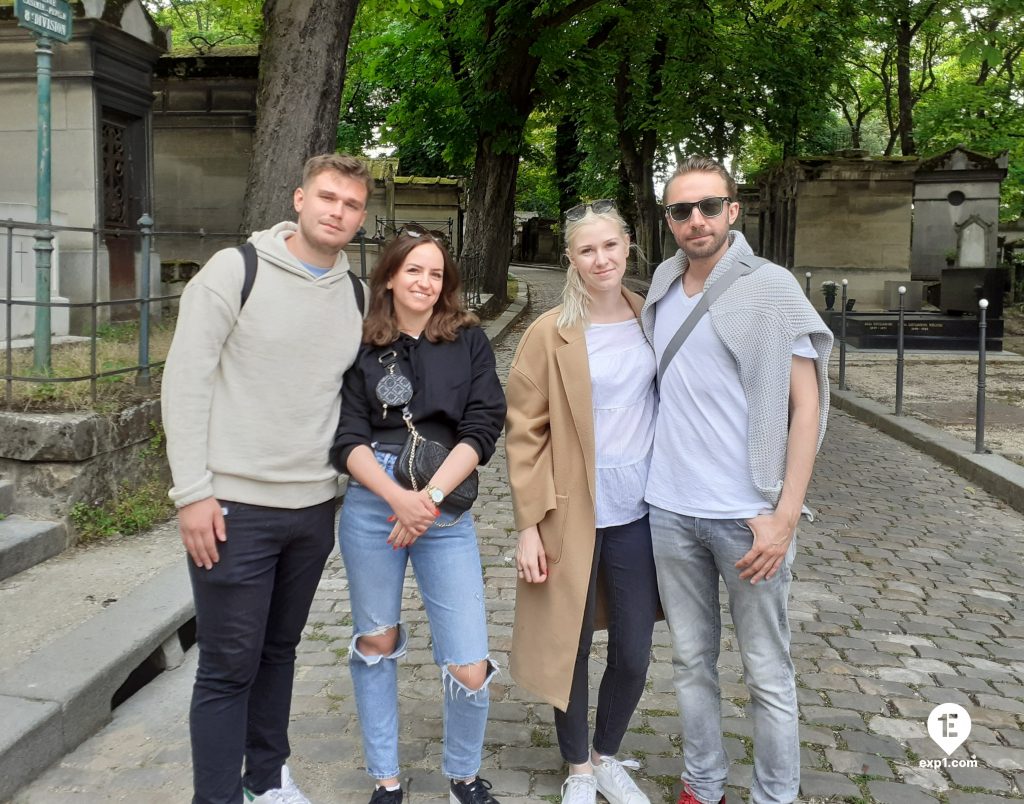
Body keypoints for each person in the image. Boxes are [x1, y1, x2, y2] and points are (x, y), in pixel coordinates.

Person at [162, 153, 374, 803]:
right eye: (328, 197)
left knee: (279, 652)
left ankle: (266, 780)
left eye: (352, 204)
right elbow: (185, 379)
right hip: (233, 508)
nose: (338, 212)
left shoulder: (355, 293)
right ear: (300, 198)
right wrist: (192, 492)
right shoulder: (237, 271)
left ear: (361, 216)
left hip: (313, 510)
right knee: (228, 668)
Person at [640, 156, 833, 804]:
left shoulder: (771, 287)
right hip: (669, 511)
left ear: (733, 210)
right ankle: (703, 783)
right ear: (668, 219)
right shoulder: (664, 282)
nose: (696, 220)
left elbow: (806, 406)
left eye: (708, 206)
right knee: (692, 663)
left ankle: (775, 795)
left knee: (767, 672)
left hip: (747, 516)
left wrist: (784, 515)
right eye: (681, 210)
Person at [329, 226, 506, 804]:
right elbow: (346, 436)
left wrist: (425, 501)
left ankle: (462, 775)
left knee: (469, 660)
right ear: (389, 276)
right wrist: (395, 498)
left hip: (444, 500)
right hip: (373, 499)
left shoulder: (469, 341)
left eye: (435, 273)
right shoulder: (360, 343)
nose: (426, 282)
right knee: (376, 643)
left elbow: (483, 426)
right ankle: (385, 778)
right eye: (414, 271)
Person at [506, 201, 660, 804]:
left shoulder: (651, 318)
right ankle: (577, 767)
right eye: (587, 249)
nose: (601, 259)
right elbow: (524, 433)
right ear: (571, 258)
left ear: (627, 248)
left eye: (610, 246)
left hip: (642, 512)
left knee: (633, 648)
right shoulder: (551, 332)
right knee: (568, 642)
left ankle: (608, 754)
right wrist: (528, 525)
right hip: (572, 513)